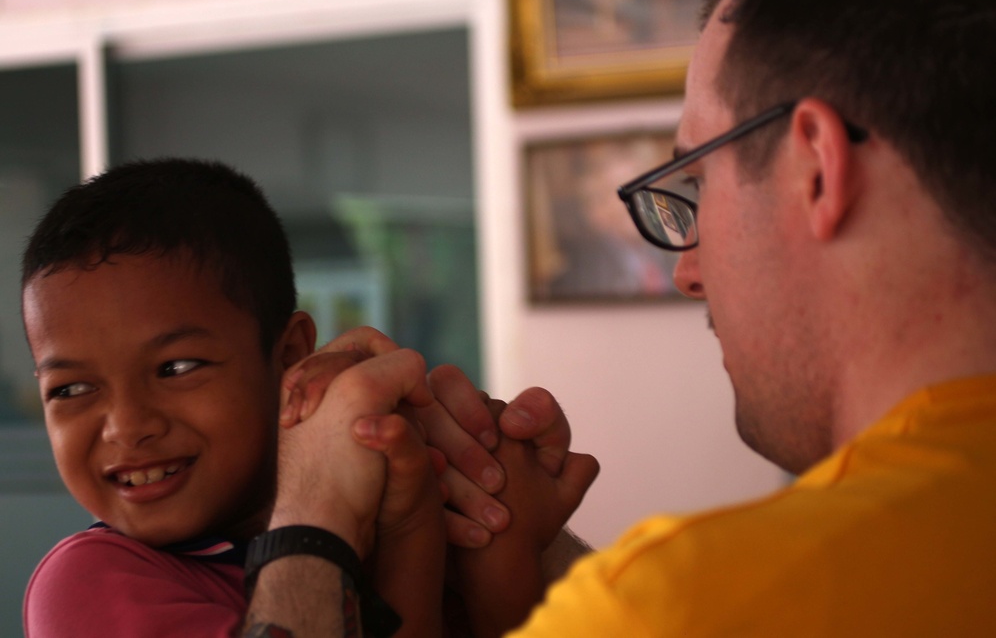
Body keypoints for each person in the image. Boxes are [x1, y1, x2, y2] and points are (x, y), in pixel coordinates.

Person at [281, 0, 996, 634]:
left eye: (698, 183)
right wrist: (523, 554)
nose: (688, 271)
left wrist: (310, 515)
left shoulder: (680, 602)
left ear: (815, 167)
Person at [19, 158, 597, 637]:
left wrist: (494, 522)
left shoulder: (376, 507)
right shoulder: (89, 581)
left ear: (290, 356)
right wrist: (332, 509)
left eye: (176, 367)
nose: (126, 425)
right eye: (70, 388)